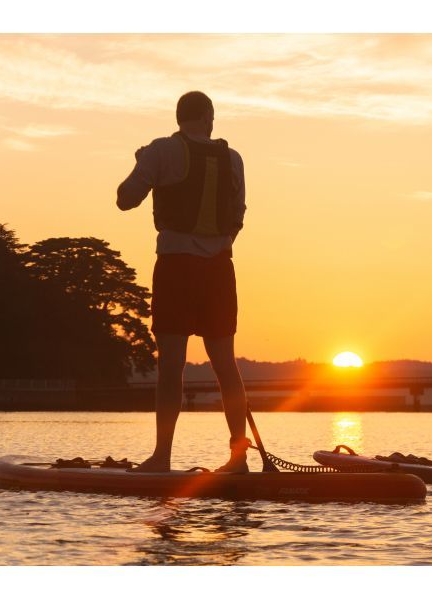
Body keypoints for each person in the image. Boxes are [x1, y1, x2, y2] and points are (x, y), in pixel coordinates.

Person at [116, 91, 249, 473]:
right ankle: (238, 460)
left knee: (172, 366)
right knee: (226, 365)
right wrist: (216, 250)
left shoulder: (160, 151)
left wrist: (142, 162)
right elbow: (238, 217)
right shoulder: (234, 158)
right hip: (221, 268)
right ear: (209, 119)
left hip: (176, 266)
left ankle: (162, 457)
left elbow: (125, 199)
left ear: (179, 119)